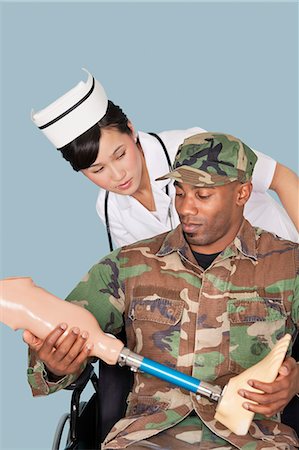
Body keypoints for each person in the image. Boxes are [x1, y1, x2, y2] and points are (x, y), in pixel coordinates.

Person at [25, 132, 299, 449]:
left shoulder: (288, 265)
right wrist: (55, 365)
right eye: (179, 193)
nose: (186, 208)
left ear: (242, 193)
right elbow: (56, 338)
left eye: (203, 195)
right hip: (145, 437)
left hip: (253, 439)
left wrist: (295, 381)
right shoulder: (126, 266)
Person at [31, 70, 299, 248]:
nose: (117, 175)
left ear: (131, 129)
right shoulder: (110, 208)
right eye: (97, 169)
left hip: (283, 264)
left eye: (121, 155)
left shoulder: (192, 146)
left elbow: (282, 178)